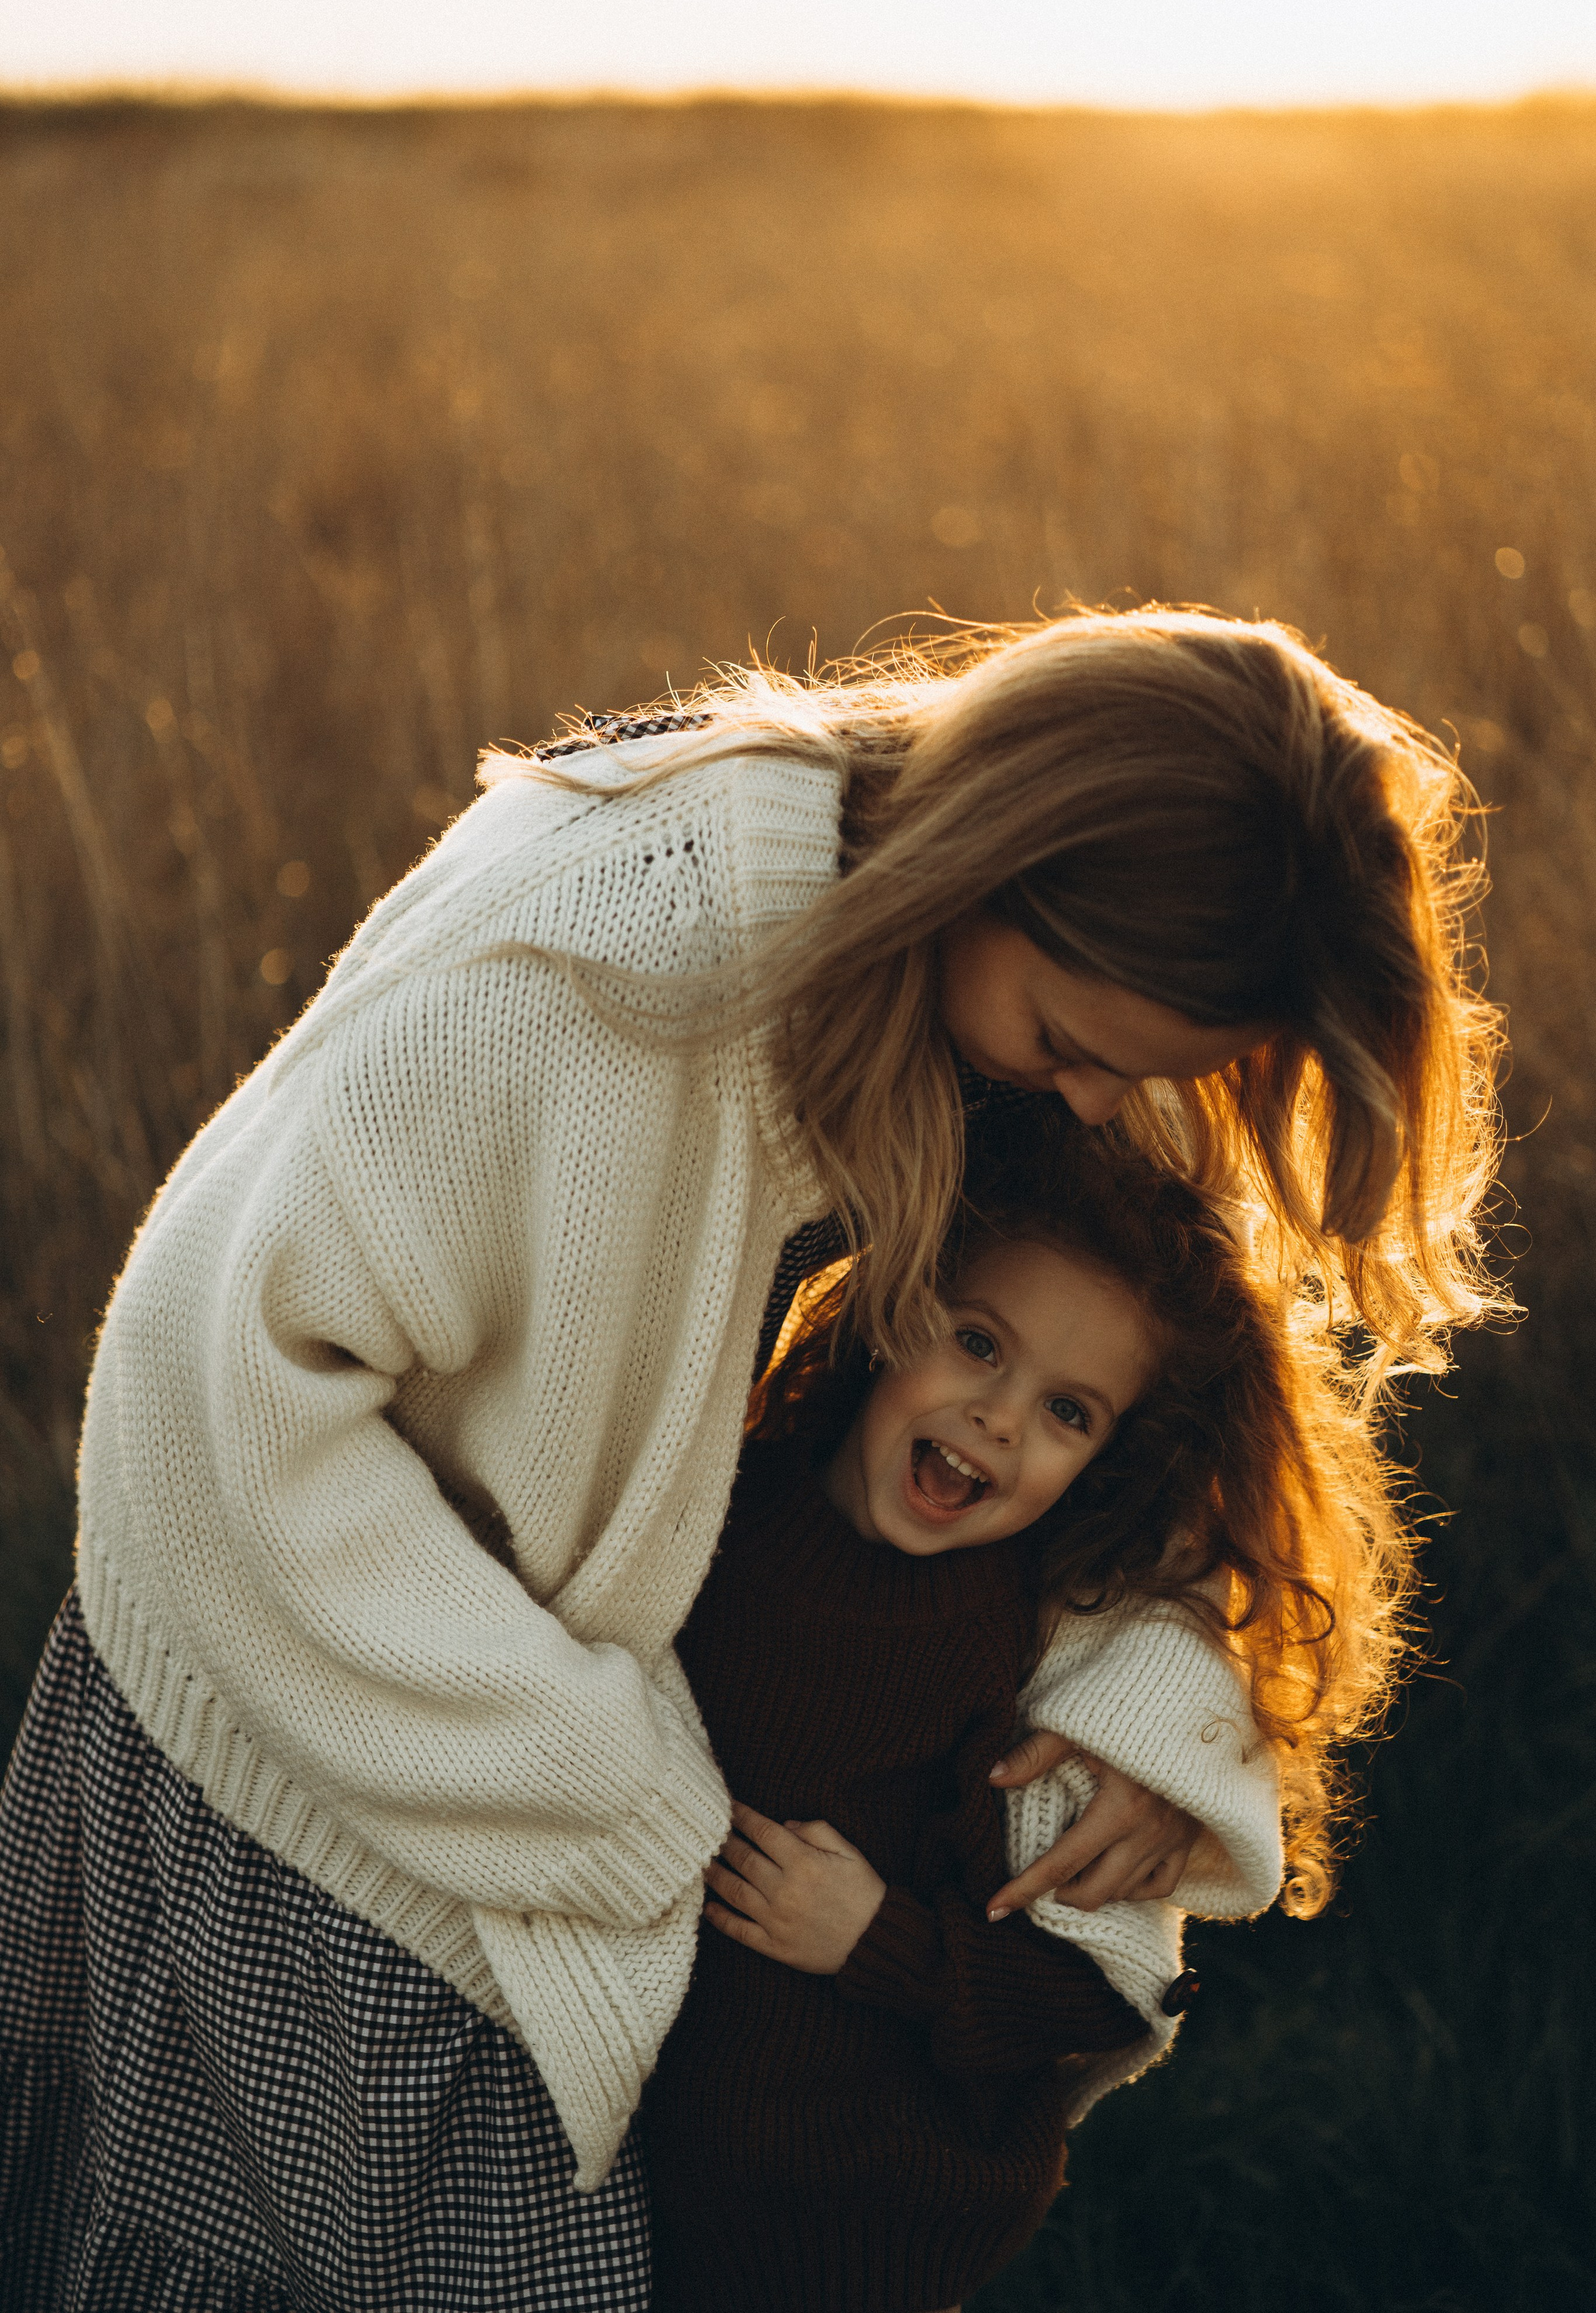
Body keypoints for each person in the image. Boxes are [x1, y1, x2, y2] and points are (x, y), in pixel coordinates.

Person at [0, 608, 1502, 2309]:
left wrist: (1145, 1702)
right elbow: (204, 1410)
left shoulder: (961, 977)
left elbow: (1145, 1366)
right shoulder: (597, 975)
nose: (1091, 1108)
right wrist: (625, 1794)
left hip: (571, 1812)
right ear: (999, 862)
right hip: (316, 1778)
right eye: (1073, 1049)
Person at [644, 1105, 1408, 2313]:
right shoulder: (716, 1498)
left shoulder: (1027, 1642)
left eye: (1068, 1412)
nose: (999, 1417)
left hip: (864, 2221)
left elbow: (1090, 1989)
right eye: (977, 1344)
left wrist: (881, 1940)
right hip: (639, 2171)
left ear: (1106, 1460)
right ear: (896, 1308)